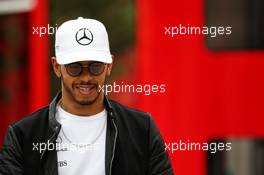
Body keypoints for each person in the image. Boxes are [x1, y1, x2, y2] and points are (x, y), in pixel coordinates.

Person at [0, 17, 173, 175]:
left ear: (109, 66)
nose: (86, 77)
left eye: (95, 66)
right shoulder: (23, 135)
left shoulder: (142, 129)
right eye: (74, 67)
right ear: (56, 66)